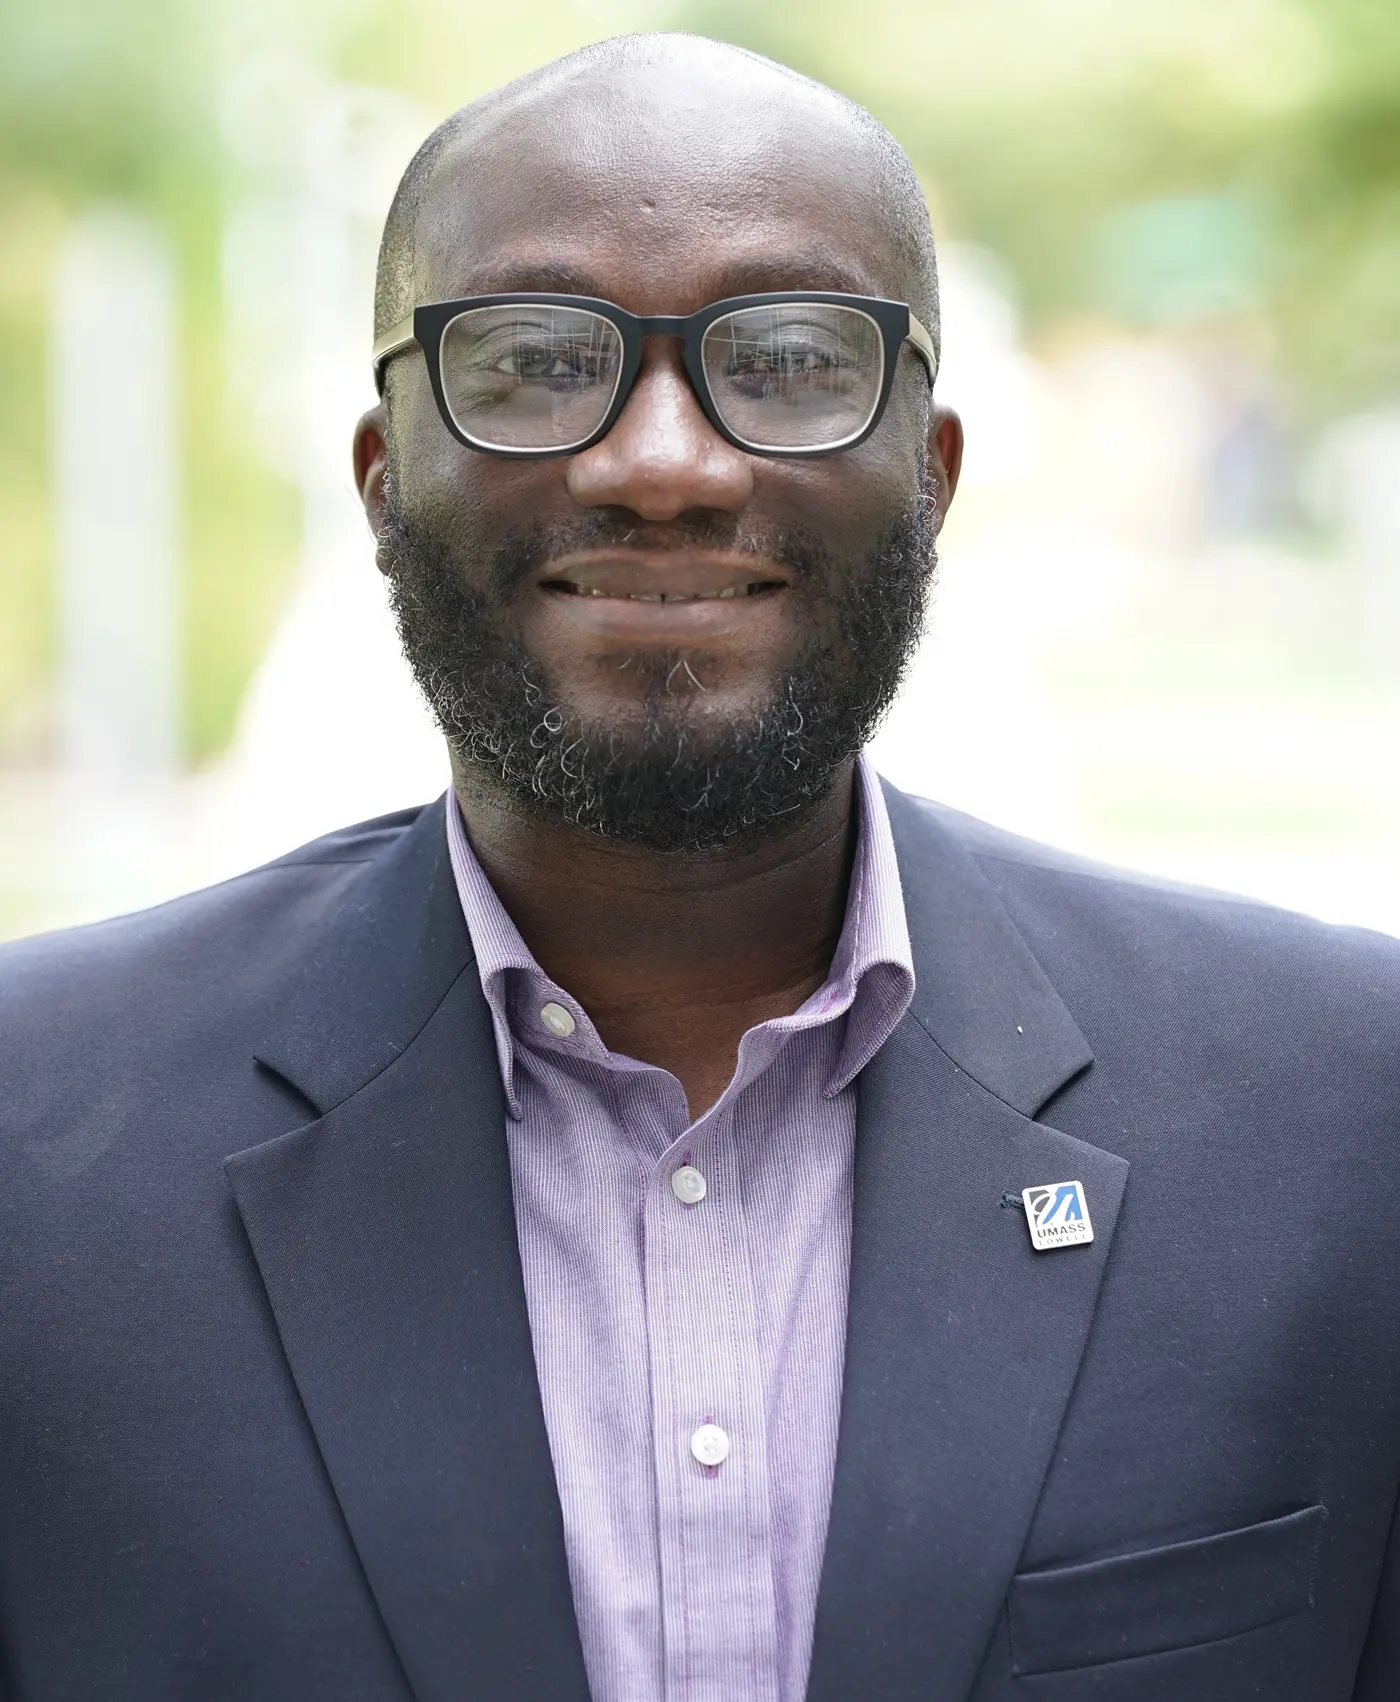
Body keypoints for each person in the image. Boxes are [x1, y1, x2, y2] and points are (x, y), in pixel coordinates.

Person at [1, 32, 1398, 1702]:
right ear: (381, 480)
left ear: (934, 473)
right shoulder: (35, 1150)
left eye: (794, 355)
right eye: (528, 358)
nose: (663, 464)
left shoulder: (1339, 1119)